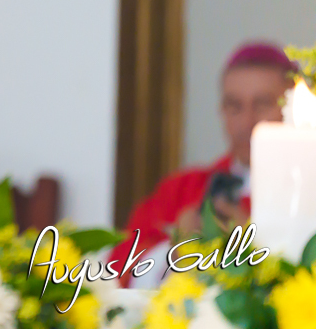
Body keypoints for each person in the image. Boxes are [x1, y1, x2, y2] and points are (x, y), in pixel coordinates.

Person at [110, 41, 295, 281]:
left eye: (262, 105)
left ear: (292, 109)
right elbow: (115, 273)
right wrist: (174, 253)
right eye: (234, 106)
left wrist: (254, 243)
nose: (247, 122)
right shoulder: (181, 189)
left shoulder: (306, 196)